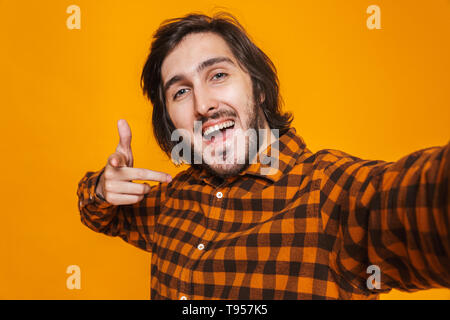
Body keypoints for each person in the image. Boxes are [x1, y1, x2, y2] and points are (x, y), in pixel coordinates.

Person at [77, 12, 449, 300]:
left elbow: (420, 201)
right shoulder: (170, 200)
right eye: (180, 92)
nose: (203, 104)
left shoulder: (329, 194)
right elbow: (99, 216)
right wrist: (100, 188)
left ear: (257, 89)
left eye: (218, 75)